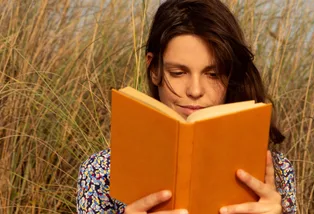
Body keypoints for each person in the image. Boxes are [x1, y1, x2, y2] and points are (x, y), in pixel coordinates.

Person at [76, 0, 296, 213]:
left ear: (230, 76)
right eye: (178, 73)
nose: (195, 90)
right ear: (154, 70)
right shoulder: (101, 171)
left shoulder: (274, 173)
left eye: (213, 74)